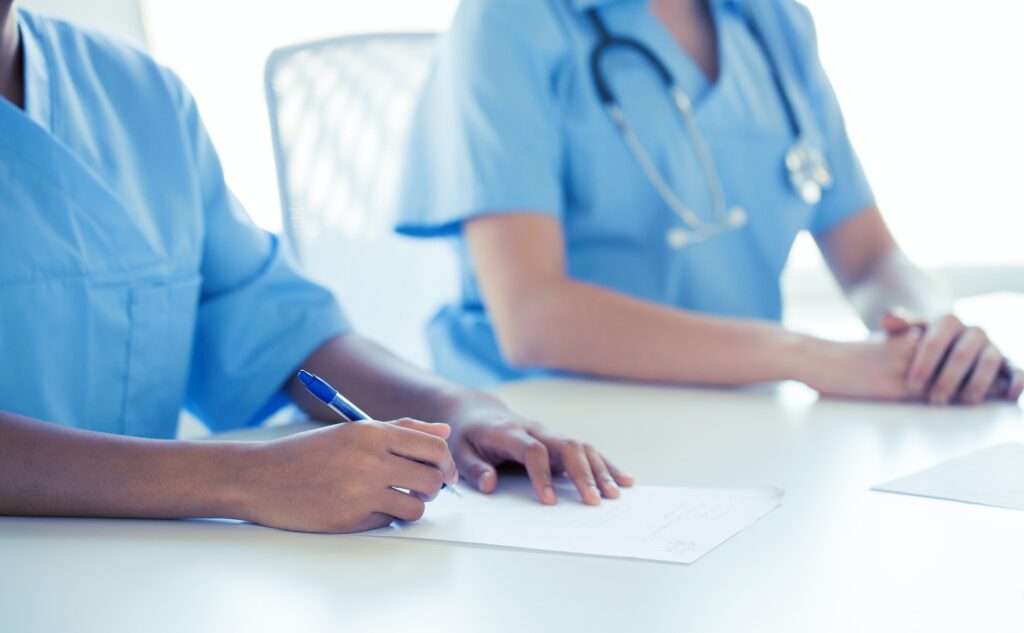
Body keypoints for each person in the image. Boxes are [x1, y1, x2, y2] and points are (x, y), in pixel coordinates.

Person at [0, 2, 633, 534]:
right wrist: (241, 479)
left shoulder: (137, 95)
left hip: (146, 571)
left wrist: (460, 410)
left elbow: (277, 328)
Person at [396, 0, 1023, 405]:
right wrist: (803, 355)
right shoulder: (510, 21)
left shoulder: (773, 23)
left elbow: (869, 258)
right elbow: (533, 318)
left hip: (735, 412)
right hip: (546, 426)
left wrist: (933, 332)